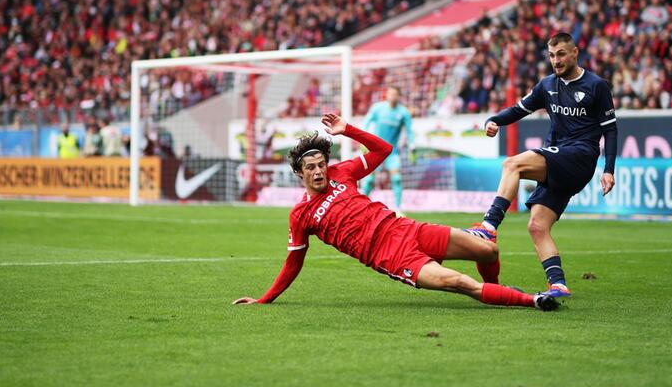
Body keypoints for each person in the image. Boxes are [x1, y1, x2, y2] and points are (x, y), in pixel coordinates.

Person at [233, 113, 559, 311]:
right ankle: (532, 300)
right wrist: (264, 299)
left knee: (488, 250)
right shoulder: (301, 215)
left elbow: (383, 150)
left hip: (407, 229)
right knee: (461, 284)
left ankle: (500, 289)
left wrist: (347, 129)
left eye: (321, 164)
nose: (319, 171)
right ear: (300, 174)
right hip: (392, 257)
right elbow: (294, 262)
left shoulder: (342, 173)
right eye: (311, 168)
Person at [471, 32, 617, 299]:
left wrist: (608, 169)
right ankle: (558, 285)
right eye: (551, 56)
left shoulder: (596, 86)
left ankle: (488, 227)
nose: (556, 61)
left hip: (579, 156)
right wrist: (493, 120)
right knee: (537, 226)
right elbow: (518, 110)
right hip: (561, 161)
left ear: (575, 52)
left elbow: (611, 130)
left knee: (512, 164)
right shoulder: (547, 85)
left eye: (561, 54)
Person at [360, 86, 414, 214]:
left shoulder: (404, 113)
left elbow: (410, 131)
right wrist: (363, 141)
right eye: (390, 94)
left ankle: (398, 208)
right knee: (369, 180)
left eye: (395, 94)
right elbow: (366, 122)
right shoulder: (378, 108)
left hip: (392, 151)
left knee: (396, 178)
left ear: (399, 96)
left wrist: (412, 146)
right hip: (375, 150)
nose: (392, 96)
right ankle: (362, 206)